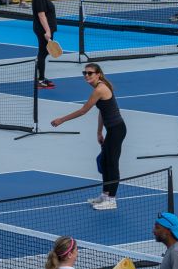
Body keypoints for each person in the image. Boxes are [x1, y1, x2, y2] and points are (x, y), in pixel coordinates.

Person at [50, 63, 126, 210]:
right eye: (84, 73)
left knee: (111, 163)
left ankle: (111, 200)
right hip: (112, 130)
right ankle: (105, 195)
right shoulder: (100, 87)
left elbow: (83, 111)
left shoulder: (100, 89)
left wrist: (61, 120)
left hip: (117, 130)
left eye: (90, 73)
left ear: (98, 74)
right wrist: (99, 132)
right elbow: (102, 111)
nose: (86, 75)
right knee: (104, 162)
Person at [33, 0, 58, 89]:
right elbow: (41, 15)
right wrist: (47, 31)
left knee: (44, 52)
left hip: (47, 29)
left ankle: (41, 77)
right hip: (43, 29)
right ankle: (41, 79)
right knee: (43, 53)